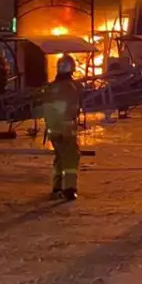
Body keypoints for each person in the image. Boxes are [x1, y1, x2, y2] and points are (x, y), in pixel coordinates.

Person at [42, 54, 82, 201]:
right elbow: (72, 108)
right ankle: (69, 189)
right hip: (66, 129)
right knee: (71, 158)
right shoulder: (70, 87)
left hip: (53, 129)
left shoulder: (51, 87)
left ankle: (57, 186)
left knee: (60, 157)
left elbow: (46, 109)